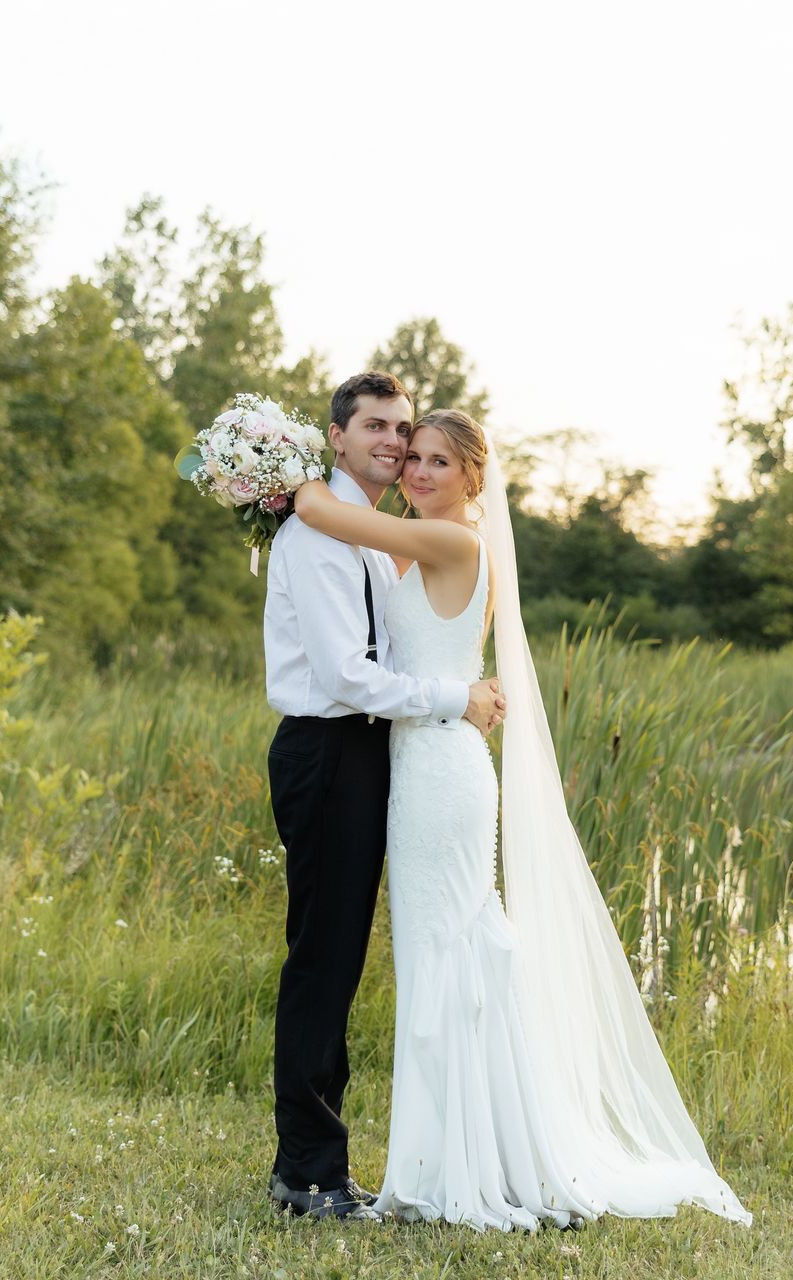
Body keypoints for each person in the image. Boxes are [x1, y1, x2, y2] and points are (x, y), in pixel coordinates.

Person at [292, 408, 752, 1231]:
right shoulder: (420, 536)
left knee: (452, 954)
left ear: (475, 476)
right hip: (423, 760)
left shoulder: (455, 541)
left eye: (438, 461)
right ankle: (449, 1156)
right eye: (414, 459)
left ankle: (471, 1165)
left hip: (441, 770)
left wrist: (270, 470)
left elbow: (323, 513)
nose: (419, 472)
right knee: (442, 954)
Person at [260, 373, 505, 1220]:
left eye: (406, 433)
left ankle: (328, 1161)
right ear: (336, 436)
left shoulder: (377, 535)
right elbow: (346, 675)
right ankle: (307, 1173)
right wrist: (457, 698)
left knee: (345, 960)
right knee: (323, 960)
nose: (396, 446)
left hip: (380, 755)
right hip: (328, 747)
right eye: (379, 428)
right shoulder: (317, 532)